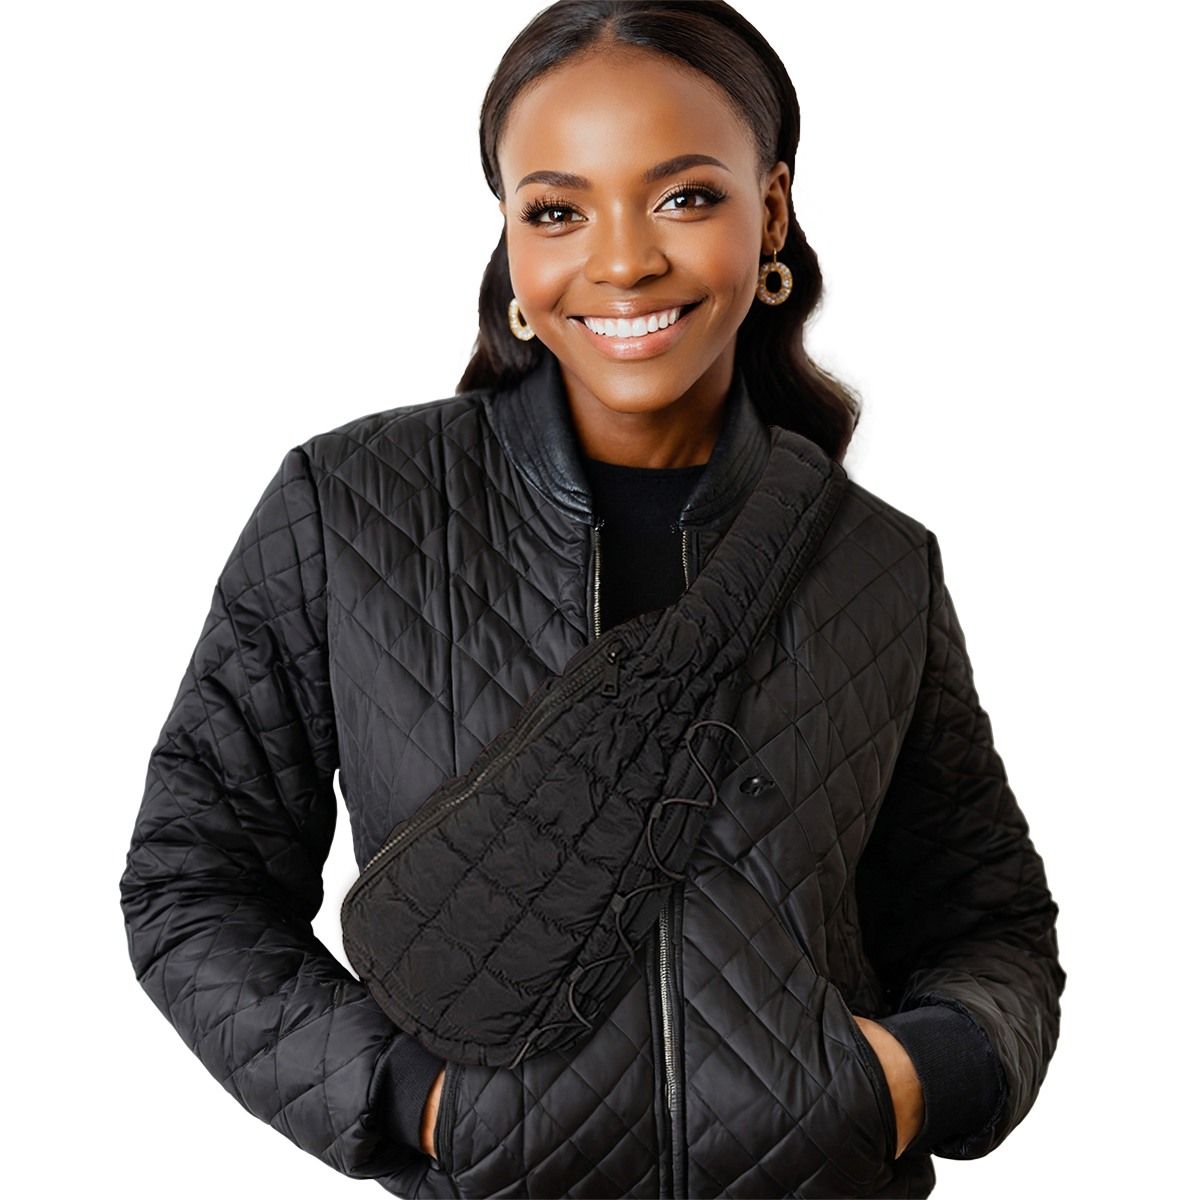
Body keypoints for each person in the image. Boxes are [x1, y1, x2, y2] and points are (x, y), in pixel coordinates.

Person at [119, 2, 1066, 1197]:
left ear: (772, 211)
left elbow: (988, 921)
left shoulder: (875, 559)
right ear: (511, 239)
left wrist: (912, 1078)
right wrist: (412, 1101)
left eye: (685, 197)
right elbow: (192, 883)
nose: (622, 262)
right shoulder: (348, 509)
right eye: (558, 211)